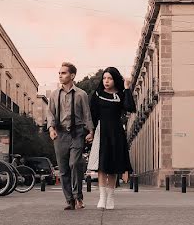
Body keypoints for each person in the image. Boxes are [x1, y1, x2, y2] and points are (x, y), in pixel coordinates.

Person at [46, 62, 94, 211]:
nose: (60, 75)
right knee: (63, 169)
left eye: (64, 73)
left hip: (77, 133)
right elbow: (50, 113)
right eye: (59, 73)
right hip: (60, 134)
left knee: (75, 164)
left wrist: (91, 131)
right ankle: (69, 201)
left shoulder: (81, 94)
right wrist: (51, 129)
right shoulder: (54, 94)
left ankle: (78, 196)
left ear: (72, 76)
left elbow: (87, 114)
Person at [87, 67, 135, 210]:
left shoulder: (120, 94)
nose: (106, 81)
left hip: (116, 132)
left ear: (115, 80)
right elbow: (92, 114)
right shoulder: (97, 94)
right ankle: (102, 198)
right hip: (102, 131)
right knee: (102, 166)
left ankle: (111, 197)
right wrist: (90, 131)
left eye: (109, 78)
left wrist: (127, 88)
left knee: (113, 167)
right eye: (104, 78)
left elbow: (130, 107)